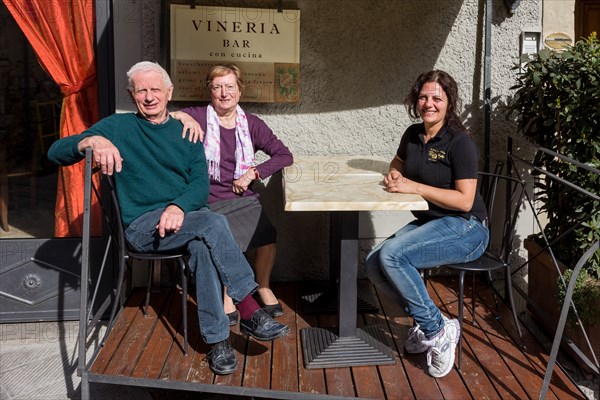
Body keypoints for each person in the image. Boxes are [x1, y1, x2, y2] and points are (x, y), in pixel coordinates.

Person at [47, 61, 289, 376]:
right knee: (214, 223)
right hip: (143, 228)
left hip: (185, 222)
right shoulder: (118, 127)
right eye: (141, 90)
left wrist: (177, 206)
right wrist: (90, 141)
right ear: (131, 94)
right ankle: (249, 309)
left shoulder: (187, 132)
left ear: (169, 92)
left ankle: (218, 343)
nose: (149, 97)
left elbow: (199, 187)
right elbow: (56, 152)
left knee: (204, 244)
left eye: (155, 89)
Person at [365, 70, 489, 378]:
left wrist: (415, 187)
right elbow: (398, 162)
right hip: (432, 222)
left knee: (392, 255)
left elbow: (464, 201)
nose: (429, 104)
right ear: (415, 100)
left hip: (467, 228)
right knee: (372, 262)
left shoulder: (460, 143)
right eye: (423, 97)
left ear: (449, 102)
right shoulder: (413, 134)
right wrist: (395, 174)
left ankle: (436, 332)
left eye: (437, 98)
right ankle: (433, 322)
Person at [171, 64, 293, 323]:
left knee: (267, 235)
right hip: (207, 198)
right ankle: (231, 294)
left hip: (242, 197)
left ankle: (263, 286)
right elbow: (164, 117)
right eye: (217, 87)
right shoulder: (200, 117)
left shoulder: (251, 124)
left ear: (239, 91)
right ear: (210, 92)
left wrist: (253, 173)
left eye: (229, 87)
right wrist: (183, 116)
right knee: (227, 239)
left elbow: (285, 155)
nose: (224, 93)